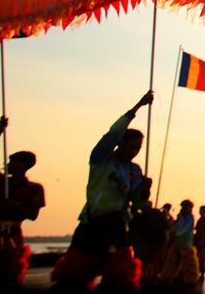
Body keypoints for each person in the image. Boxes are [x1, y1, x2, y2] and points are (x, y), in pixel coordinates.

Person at [51, 92, 153, 292]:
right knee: (73, 278)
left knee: (119, 279)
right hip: (94, 223)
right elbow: (112, 134)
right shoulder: (101, 159)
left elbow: (137, 203)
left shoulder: (134, 170)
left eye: (138, 148)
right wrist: (138, 106)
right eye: (132, 146)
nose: (135, 151)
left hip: (118, 226)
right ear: (121, 143)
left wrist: (145, 191)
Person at [0, 116, 45, 290]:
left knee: (8, 277)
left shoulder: (35, 188)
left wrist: (16, 207)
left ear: (22, 165)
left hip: (12, 235)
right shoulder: (1, 181)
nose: (7, 164)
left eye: (12, 161)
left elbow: (33, 215)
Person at [158, 199, 199, 285]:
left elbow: (184, 228)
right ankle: (167, 276)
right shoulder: (181, 216)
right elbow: (176, 226)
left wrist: (176, 231)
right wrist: (169, 231)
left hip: (186, 242)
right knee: (172, 260)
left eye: (184, 207)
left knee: (188, 262)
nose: (183, 208)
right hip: (179, 241)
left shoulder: (190, 217)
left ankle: (191, 279)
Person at [194, 205, 205, 282]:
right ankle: (198, 271)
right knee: (198, 255)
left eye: (201, 210)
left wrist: (201, 240)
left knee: (201, 256)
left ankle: (202, 272)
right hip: (198, 238)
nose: (200, 211)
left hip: (202, 239)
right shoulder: (200, 220)